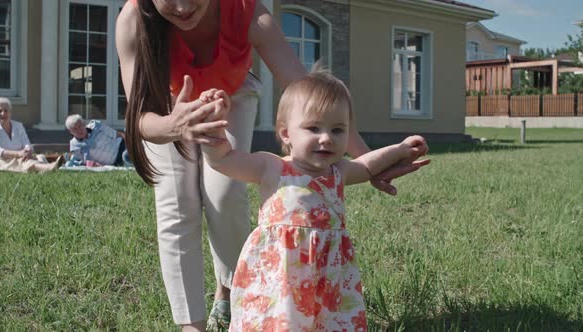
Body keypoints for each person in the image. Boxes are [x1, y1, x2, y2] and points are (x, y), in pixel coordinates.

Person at [116, 1, 425, 330]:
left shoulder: (246, 12)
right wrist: (175, 126)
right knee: (177, 203)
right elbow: (139, 118)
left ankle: (230, 286)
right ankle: (191, 324)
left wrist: (368, 162)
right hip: (166, 108)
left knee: (224, 192)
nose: (181, 6)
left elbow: (309, 98)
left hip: (233, 93)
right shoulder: (133, 21)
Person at [199, 68, 430, 330]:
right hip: (280, 273)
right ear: (286, 134)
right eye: (313, 128)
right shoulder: (271, 167)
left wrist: (398, 150)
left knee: (328, 321)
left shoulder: (337, 171)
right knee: (279, 322)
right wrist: (213, 127)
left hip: (327, 274)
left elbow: (366, 166)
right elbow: (223, 159)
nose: (326, 138)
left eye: (337, 130)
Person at [0, 97, 62, 173]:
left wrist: (27, 151)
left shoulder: (18, 126)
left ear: (10, 112)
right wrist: (18, 154)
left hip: (23, 157)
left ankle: (44, 169)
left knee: (40, 157)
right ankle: (49, 167)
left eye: (6, 110)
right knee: (26, 162)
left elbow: (27, 143)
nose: (3, 113)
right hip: (4, 160)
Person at [65, 114, 131, 167]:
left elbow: (117, 134)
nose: (79, 130)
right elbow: (84, 162)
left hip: (122, 147)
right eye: (75, 129)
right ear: (71, 132)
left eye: (80, 126)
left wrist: (131, 145)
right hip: (115, 163)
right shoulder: (75, 146)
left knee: (126, 155)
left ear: (84, 124)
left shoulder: (97, 126)